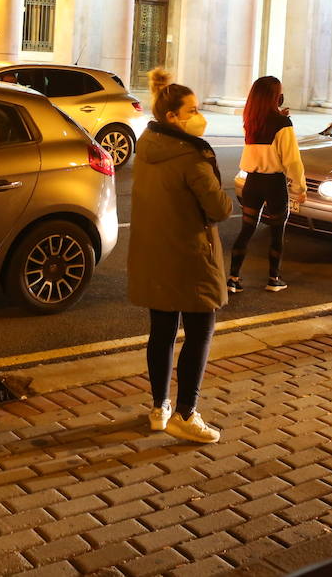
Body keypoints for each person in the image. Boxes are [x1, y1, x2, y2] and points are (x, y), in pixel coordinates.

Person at [128, 67, 232, 444]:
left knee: (162, 331)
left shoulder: (148, 148)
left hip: (155, 252)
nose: (198, 116)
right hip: (191, 255)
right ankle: (187, 414)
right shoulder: (191, 158)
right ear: (172, 117)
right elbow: (219, 209)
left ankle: (160, 408)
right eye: (192, 110)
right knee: (200, 331)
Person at [227, 76, 307, 294]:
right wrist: (300, 188)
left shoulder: (250, 120)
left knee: (247, 228)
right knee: (277, 231)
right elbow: (292, 159)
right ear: (274, 96)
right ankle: (274, 278)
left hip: (252, 180)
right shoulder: (283, 124)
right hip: (274, 182)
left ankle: (233, 277)